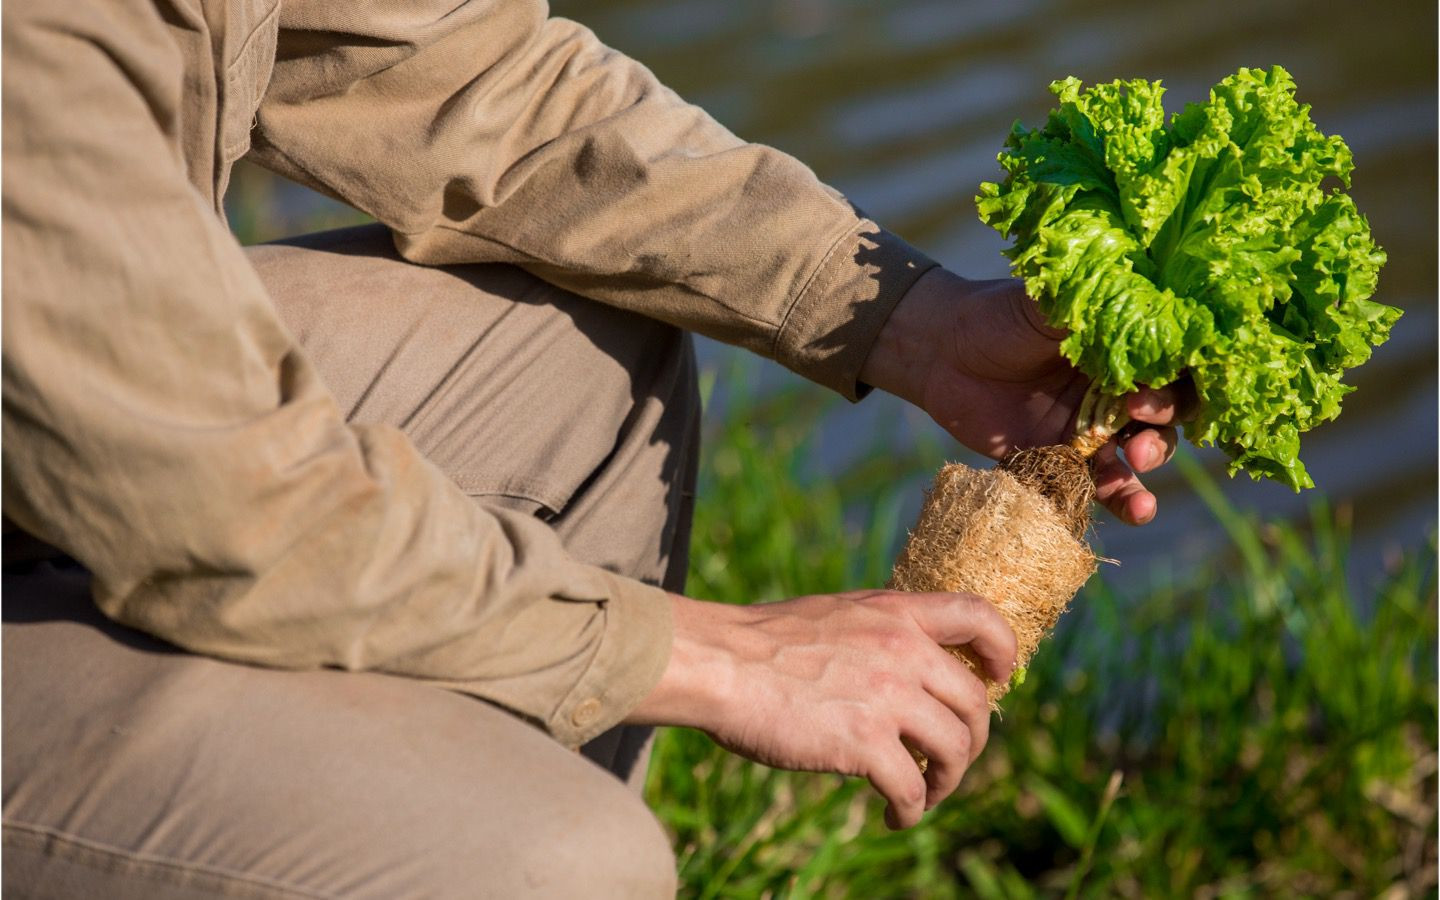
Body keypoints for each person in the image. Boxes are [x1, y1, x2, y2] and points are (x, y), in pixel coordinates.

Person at [1, 0, 1190, 896]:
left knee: (588, 342)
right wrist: (719, 658)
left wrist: (909, 322)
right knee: (568, 862)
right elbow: (218, 493)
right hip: (145, 458)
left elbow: (459, 78)